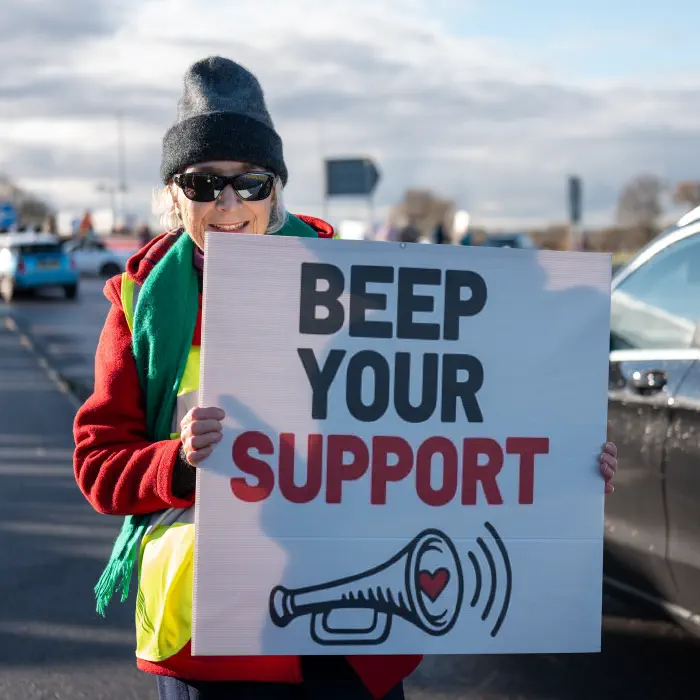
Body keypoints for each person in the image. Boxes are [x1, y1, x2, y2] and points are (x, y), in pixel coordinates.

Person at [73, 56, 618, 700]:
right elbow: (99, 466)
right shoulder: (137, 305)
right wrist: (181, 463)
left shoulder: (366, 286)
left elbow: (457, 421)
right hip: (209, 645)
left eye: (249, 182)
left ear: (275, 190)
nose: (227, 204)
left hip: (354, 651)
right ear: (173, 195)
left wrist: (563, 466)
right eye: (202, 183)